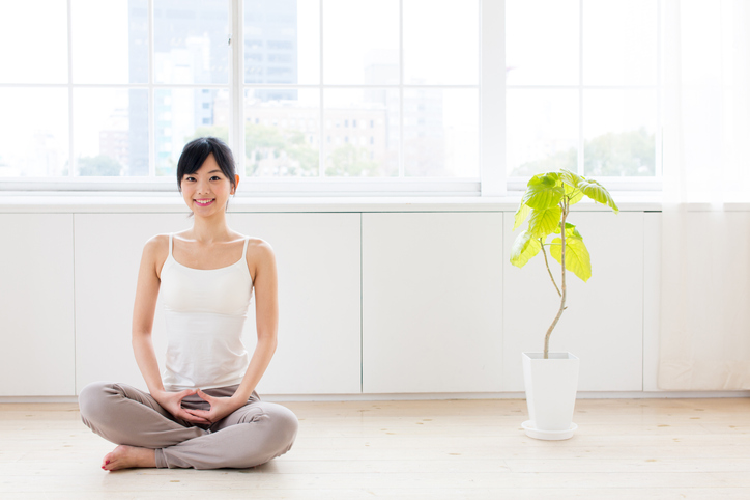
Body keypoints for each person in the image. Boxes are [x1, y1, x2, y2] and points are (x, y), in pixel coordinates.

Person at [78, 137, 298, 471]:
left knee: (281, 425)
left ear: (233, 185)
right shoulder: (158, 247)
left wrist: (235, 401)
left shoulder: (256, 252)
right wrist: (160, 394)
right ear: (180, 185)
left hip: (232, 403)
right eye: (191, 178)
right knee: (93, 399)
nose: (202, 189)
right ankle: (216, 448)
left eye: (214, 177)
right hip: (171, 400)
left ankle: (154, 455)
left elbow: (269, 338)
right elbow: (140, 332)